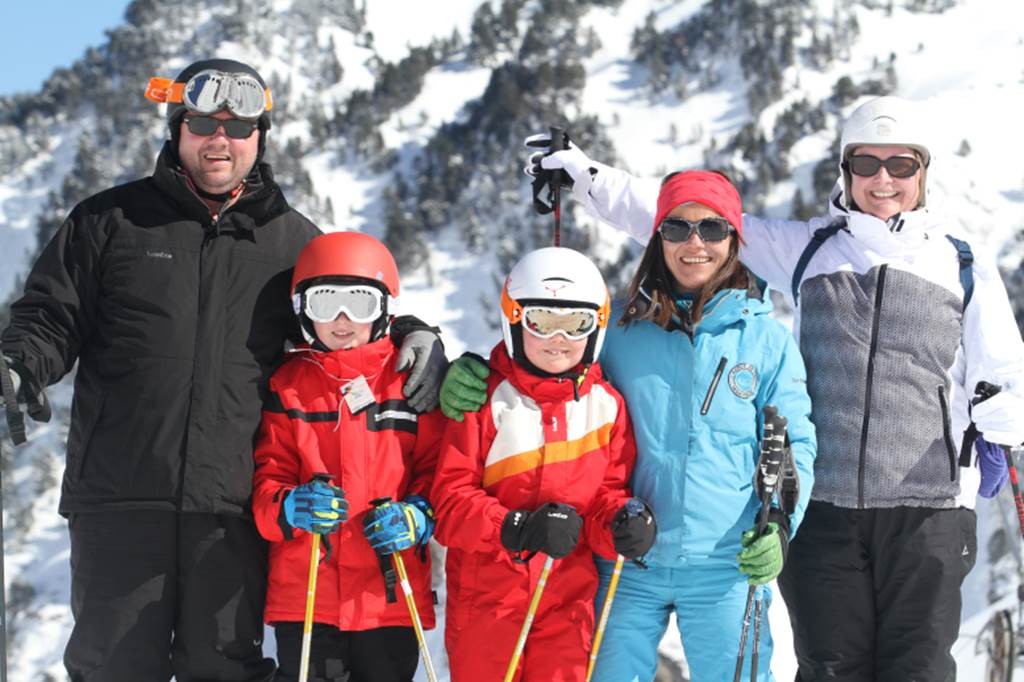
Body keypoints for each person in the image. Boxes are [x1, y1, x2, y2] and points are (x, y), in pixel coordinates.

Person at [520, 96, 1024, 680]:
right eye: (866, 164)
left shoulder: (961, 264)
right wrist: (586, 177)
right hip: (828, 509)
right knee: (830, 668)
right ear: (846, 170)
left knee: (921, 669)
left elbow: (1006, 372)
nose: (882, 180)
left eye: (900, 164)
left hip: (927, 508)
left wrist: (1001, 418)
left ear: (923, 171)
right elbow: (691, 221)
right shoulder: (812, 248)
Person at [0, 58, 446, 681]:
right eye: (204, 123)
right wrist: (17, 364)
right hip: (121, 496)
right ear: (176, 129)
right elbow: (52, 314)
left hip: (233, 506)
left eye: (238, 128)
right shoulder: (110, 222)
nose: (221, 139)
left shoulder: (291, 243)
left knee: (224, 670)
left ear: (260, 137)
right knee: (113, 669)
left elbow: (345, 311)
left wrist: (413, 332)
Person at [440, 173, 817, 680]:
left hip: (725, 563)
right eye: (678, 228)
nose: (695, 243)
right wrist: (476, 372)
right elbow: (544, 366)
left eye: (712, 228)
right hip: (626, 561)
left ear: (734, 238)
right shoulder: (616, 329)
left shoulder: (766, 341)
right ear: (658, 236)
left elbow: (794, 443)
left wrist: (780, 525)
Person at [431, 247, 653, 682]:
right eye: (542, 322)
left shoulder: (605, 407)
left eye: (576, 324)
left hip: (567, 603)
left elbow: (606, 496)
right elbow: (449, 505)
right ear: (515, 321)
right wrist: (514, 528)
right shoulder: (484, 401)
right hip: (488, 604)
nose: (559, 338)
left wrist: (620, 523)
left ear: (597, 328)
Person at [251, 231, 445, 682]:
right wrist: (290, 506)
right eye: (325, 303)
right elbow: (265, 484)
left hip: (389, 595)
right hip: (308, 598)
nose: (342, 319)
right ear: (303, 310)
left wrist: (418, 515)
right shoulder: (289, 387)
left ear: (385, 309)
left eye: (359, 303)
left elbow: (438, 473)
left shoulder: (408, 382)